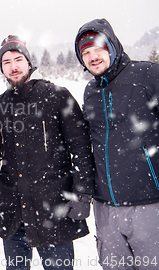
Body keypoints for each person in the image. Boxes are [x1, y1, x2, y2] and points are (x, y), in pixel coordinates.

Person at [0, 36, 94, 270]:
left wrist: (83, 193)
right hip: (14, 211)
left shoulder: (57, 96)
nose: (13, 66)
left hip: (53, 208)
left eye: (18, 59)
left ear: (29, 63)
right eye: (6, 62)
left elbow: (80, 147)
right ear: (1, 68)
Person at [74, 18, 159, 269]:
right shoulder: (90, 91)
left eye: (98, 48)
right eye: (85, 53)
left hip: (149, 204)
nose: (93, 57)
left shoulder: (147, 75)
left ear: (112, 46)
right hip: (106, 208)